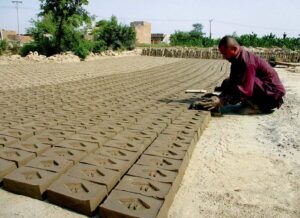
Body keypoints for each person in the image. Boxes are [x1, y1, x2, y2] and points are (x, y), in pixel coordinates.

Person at [199, 36, 286, 114]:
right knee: (227, 82)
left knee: (244, 85)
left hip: (272, 97)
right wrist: (219, 96)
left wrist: (222, 101)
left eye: (225, 53)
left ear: (234, 49)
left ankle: (259, 107)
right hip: (264, 90)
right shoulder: (236, 61)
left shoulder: (247, 63)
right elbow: (232, 82)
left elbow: (246, 91)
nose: (224, 57)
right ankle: (251, 103)